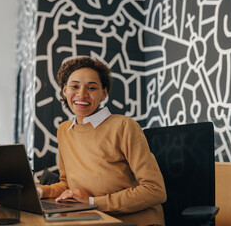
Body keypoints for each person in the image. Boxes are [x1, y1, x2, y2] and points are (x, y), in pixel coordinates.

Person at [37, 56, 166, 226]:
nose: (82, 94)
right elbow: (67, 184)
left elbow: (155, 191)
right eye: (74, 86)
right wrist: (38, 192)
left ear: (104, 93)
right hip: (91, 217)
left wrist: (92, 202)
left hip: (132, 221)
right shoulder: (64, 130)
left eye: (91, 88)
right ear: (64, 90)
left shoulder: (124, 126)